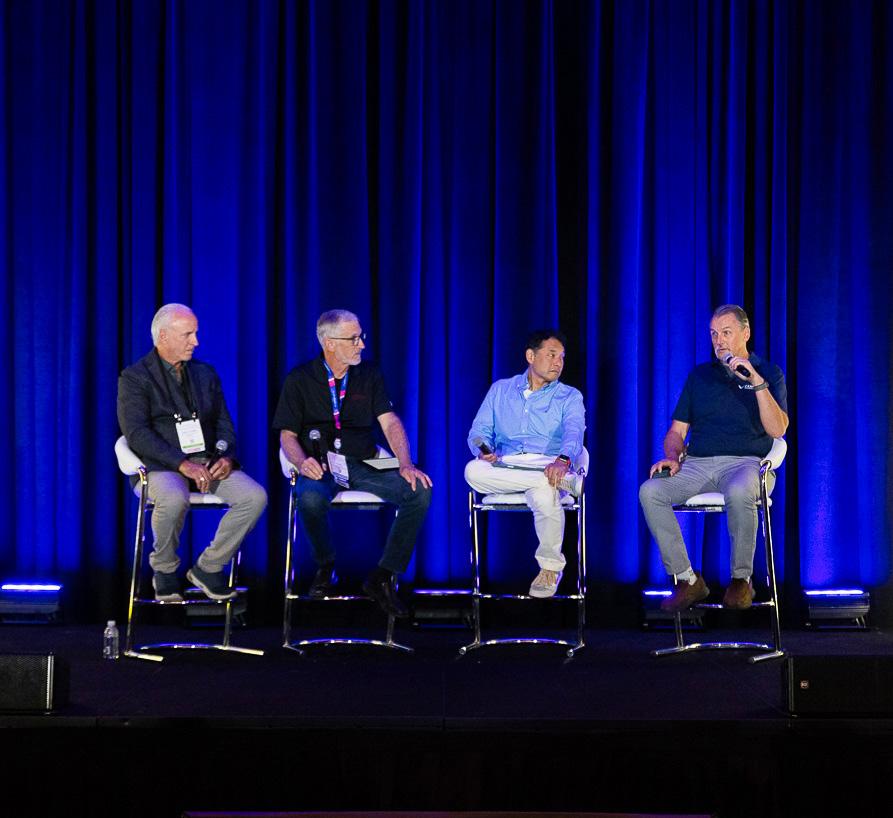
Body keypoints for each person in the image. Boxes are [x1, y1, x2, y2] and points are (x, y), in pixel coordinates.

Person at [273, 309, 433, 618]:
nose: (362, 344)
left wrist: (405, 463)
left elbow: (390, 422)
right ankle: (326, 565)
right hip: (320, 465)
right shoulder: (300, 379)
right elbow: (287, 435)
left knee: (419, 490)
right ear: (329, 343)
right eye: (354, 339)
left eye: (361, 337)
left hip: (364, 461)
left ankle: (383, 577)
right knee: (308, 497)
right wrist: (301, 462)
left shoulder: (369, 375)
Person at [639, 304, 789, 612]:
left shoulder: (769, 373)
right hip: (697, 464)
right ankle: (687, 579)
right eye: (714, 334)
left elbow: (778, 430)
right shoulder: (700, 376)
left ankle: (741, 580)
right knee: (650, 491)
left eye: (726, 333)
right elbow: (676, 431)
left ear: (745, 333)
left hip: (747, 464)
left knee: (739, 491)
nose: (719, 341)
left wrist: (755, 381)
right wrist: (673, 456)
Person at [117, 304, 268, 602]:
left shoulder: (204, 373)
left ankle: (208, 568)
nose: (196, 341)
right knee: (174, 498)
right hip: (161, 466)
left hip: (206, 462)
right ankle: (164, 570)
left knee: (254, 497)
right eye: (187, 334)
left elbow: (224, 423)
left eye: (195, 333)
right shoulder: (135, 377)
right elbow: (137, 434)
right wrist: (181, 464)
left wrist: (225, 457)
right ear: (163, 336)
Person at [465, 330, 586, 598]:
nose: (558, 362)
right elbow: (478, 432)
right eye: (551, 355)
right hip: (505, 466)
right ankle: (566, 482)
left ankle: (550, 569)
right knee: (472, 471)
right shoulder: (501, 390)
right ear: (531, 356)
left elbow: (574, 432)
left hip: (549, 463)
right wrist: (483, 449)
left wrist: (563, 460)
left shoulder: (569, 396)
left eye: (562, 357)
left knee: (544, 493)